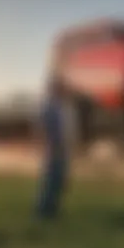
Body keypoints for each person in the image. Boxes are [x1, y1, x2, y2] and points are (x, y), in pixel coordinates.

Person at [35, 78, 70, 219]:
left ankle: (52, 210)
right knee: (51, 180)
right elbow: (42, 128)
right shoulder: (49, 106)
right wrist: (49, 146)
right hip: (54, 148)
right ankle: (43, 211)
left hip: (61, 148)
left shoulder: (60, 107)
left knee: (59, 181)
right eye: (60, 88)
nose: (63, 91)